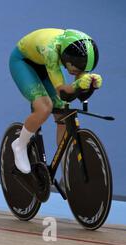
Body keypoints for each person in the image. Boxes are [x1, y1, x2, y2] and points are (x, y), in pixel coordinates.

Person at [9, 28, 102, 177]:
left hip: (45, 64)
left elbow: (76, 96)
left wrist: (89, 85)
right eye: (76, 69)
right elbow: (63, 92)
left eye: (83, 71)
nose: (78, 73)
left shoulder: (75, 55)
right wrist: (78, 85)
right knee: (44, 107)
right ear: (67, 58)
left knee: (63, 113)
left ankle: (64, 163)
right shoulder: (51, 51)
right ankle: (19, 144)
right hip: (23, 63)